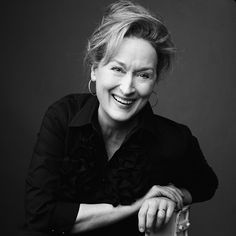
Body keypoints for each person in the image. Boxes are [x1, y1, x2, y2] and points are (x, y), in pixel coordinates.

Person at [20, 1, 218, 235]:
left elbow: (207, 185)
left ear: (154, 80)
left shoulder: (174, 138)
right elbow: (40, 216)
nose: (127, 88)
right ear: (95, 69)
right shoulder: (63, 116)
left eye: (143, 75)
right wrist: (136, 205)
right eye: (117, 69)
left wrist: (172, 197)